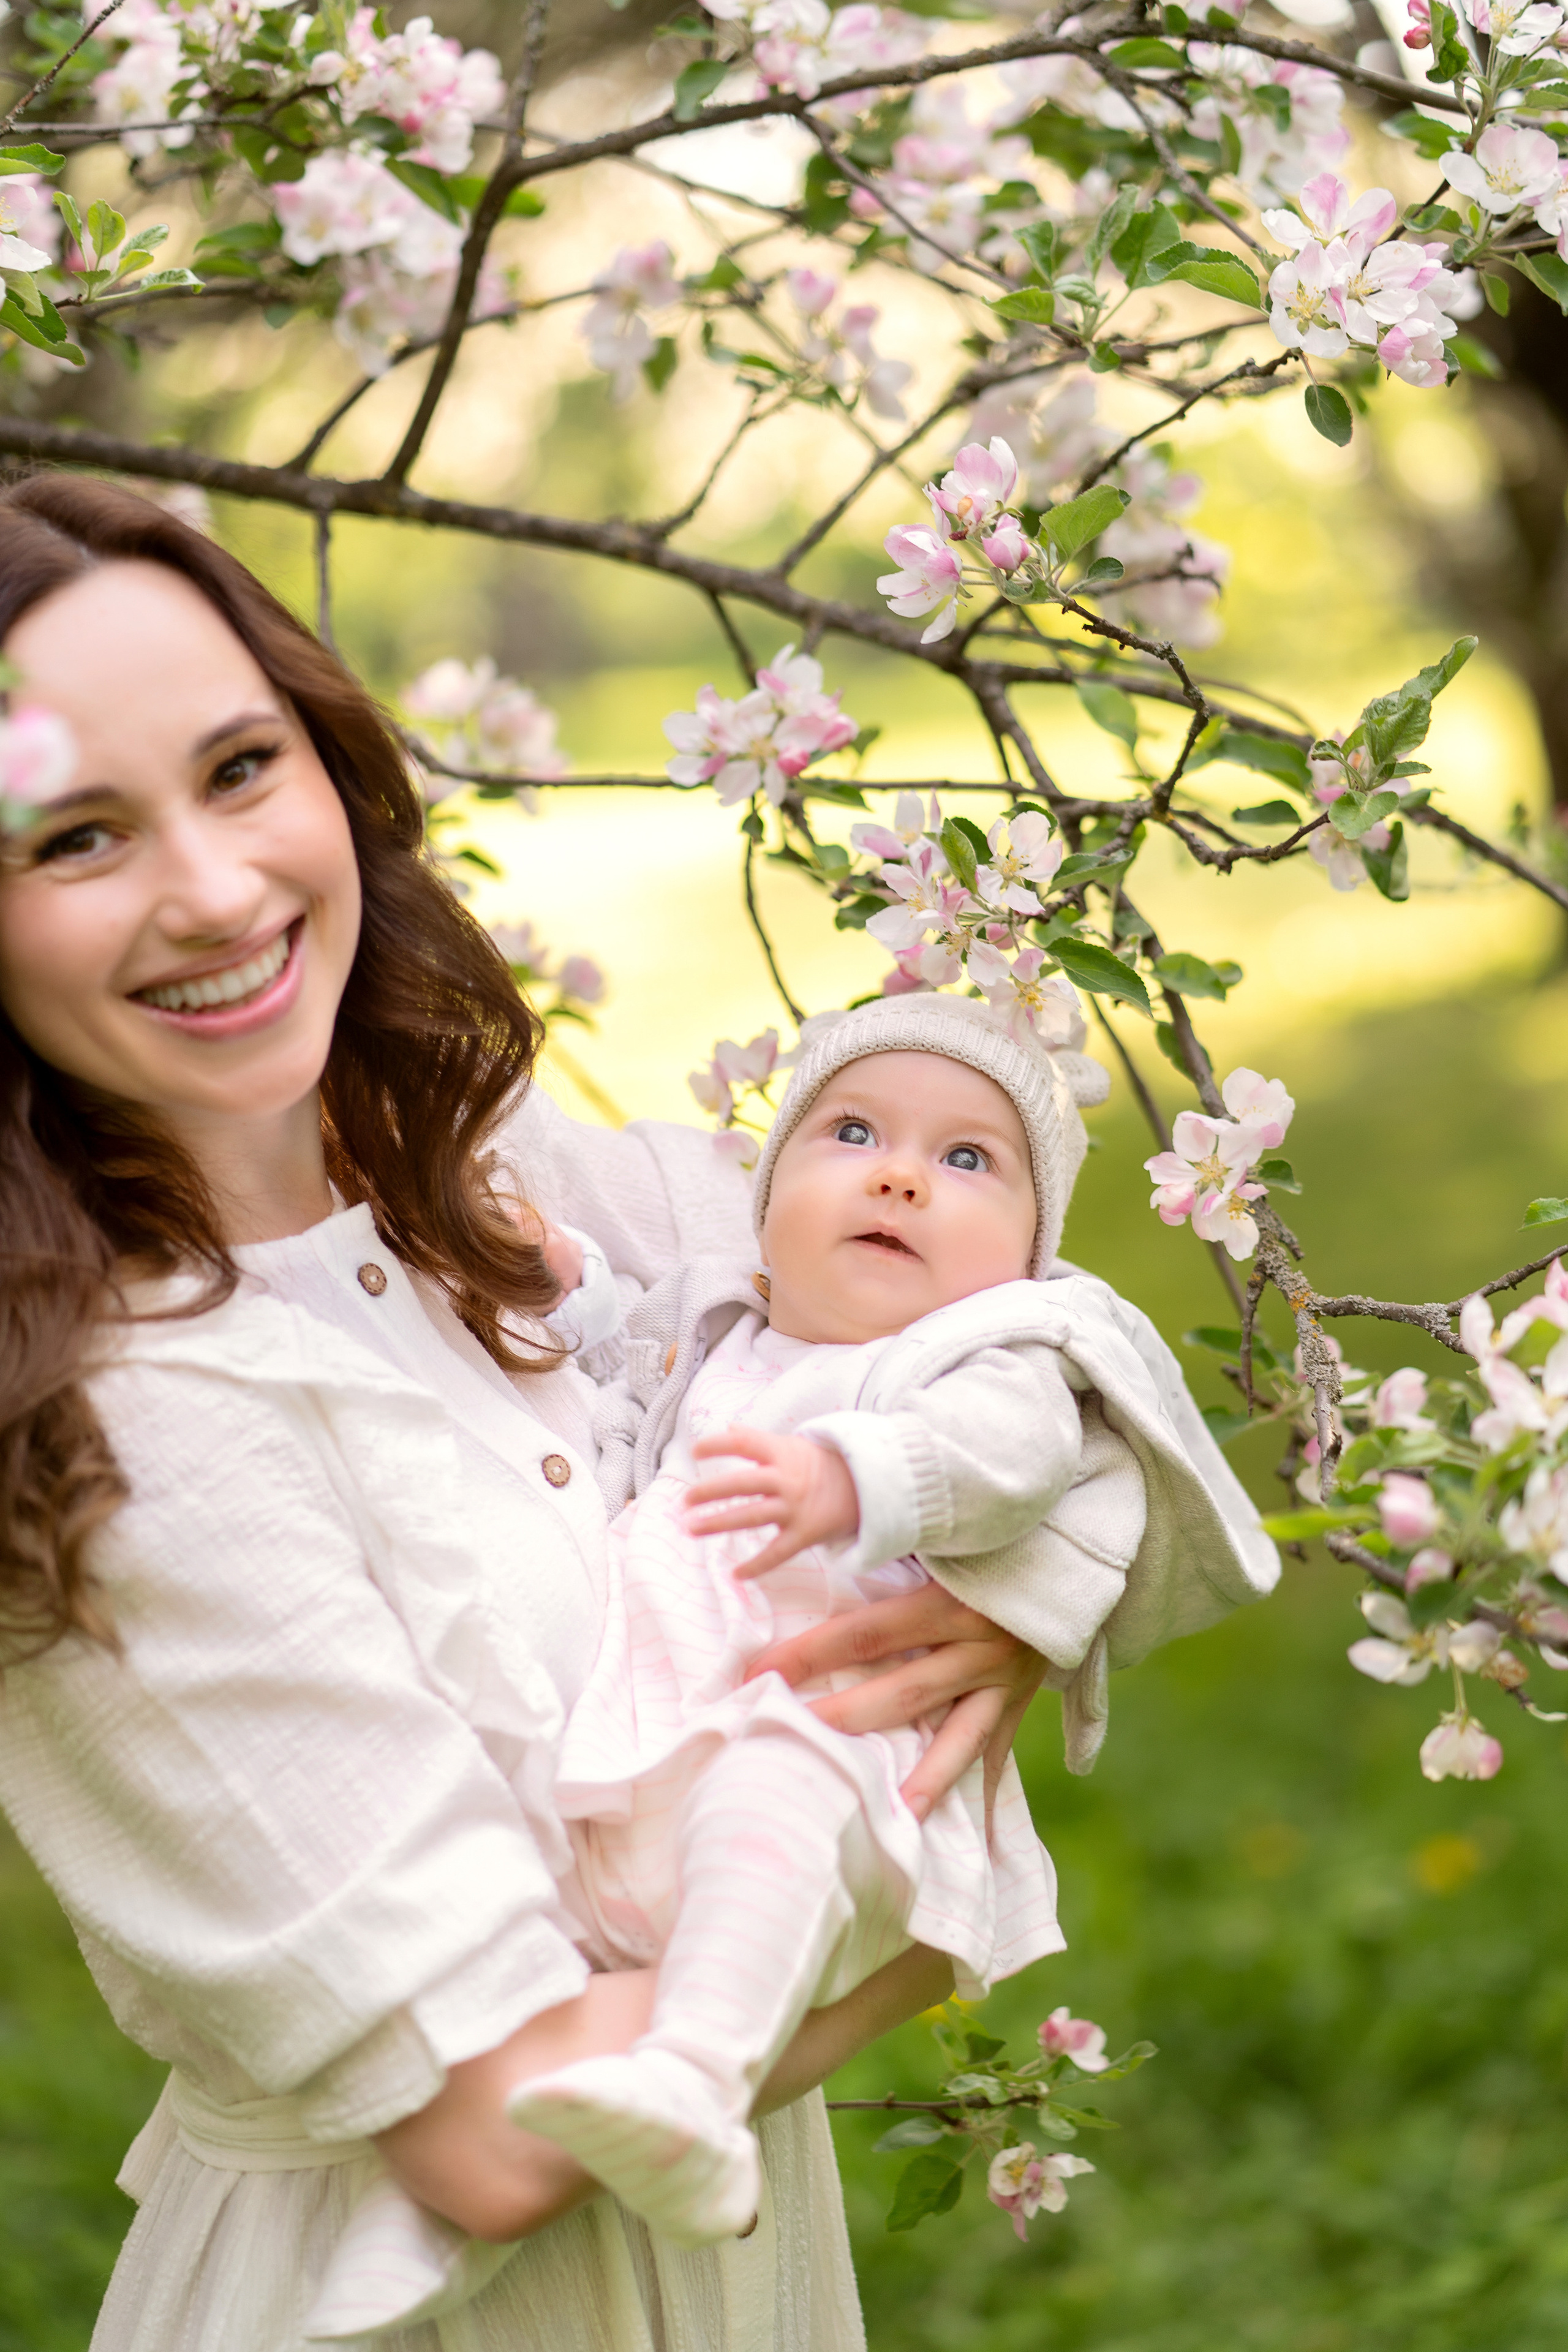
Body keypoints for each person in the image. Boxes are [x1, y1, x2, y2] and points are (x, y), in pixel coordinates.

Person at [0, 475, 1064, 2352]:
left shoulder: (476, 1173)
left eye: (242, 768)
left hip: (727, 2262)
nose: (220, 890)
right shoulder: (122, 1432)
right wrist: (932, 1879)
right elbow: (495, 2134)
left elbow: (916, 1317)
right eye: (77, 837)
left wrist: (1007, 1547)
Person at [316, 996, 1280, 2334]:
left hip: (831, 1763)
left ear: (1025, 1264)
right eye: (852, 1132)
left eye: (965, 1161)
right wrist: (543, 1270)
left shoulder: (973, 1357)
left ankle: (693, 2081)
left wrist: (856, 1473)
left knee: (771, 1783)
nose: (898, 1172)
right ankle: (426, 2223)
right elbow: (605, 1340)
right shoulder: (719, 1327)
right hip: (639, 1766)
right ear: (763, 1207)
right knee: (521, 1971)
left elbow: (1012, 1455)